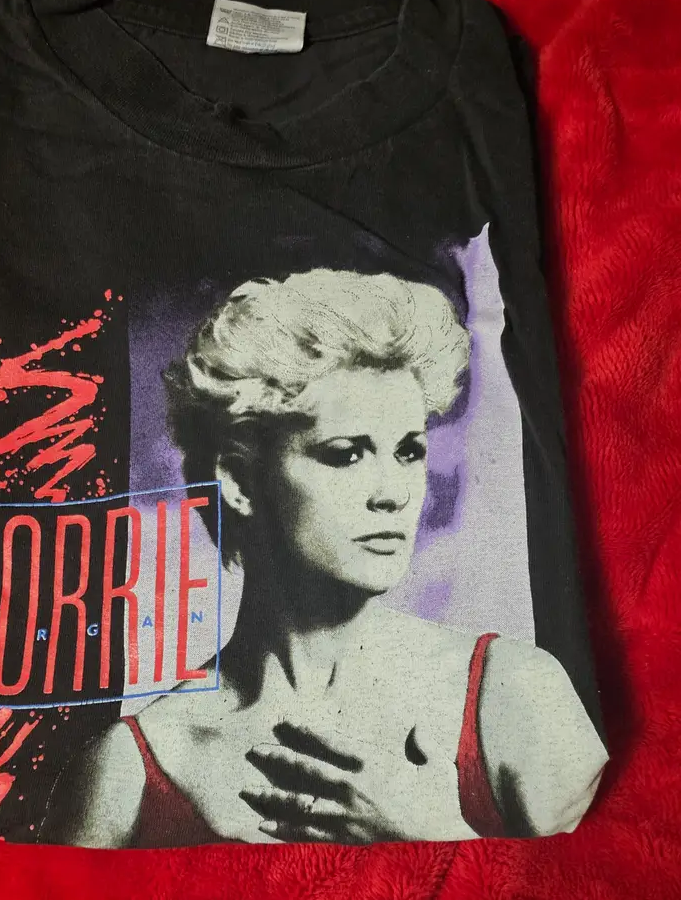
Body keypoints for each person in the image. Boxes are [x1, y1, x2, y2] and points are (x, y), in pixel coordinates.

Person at [40, 267, 607, 847]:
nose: (393, 493)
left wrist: (433, 834)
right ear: (239, 481)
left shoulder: (513, 693)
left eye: (409, 451)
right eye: (347, 454)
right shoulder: (127, 773)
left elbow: (619, 878)